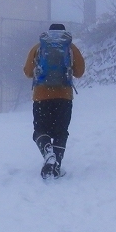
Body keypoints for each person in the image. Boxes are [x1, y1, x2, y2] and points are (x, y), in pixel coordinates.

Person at [23, 23, 86, 178]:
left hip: (41, 97)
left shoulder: (38, 47)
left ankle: (48, 153)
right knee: (60, 132)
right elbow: (80, 72)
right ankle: (56, 165)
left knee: (40, 130)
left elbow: (27, 72)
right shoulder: (70, 48)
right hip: (63, 97)